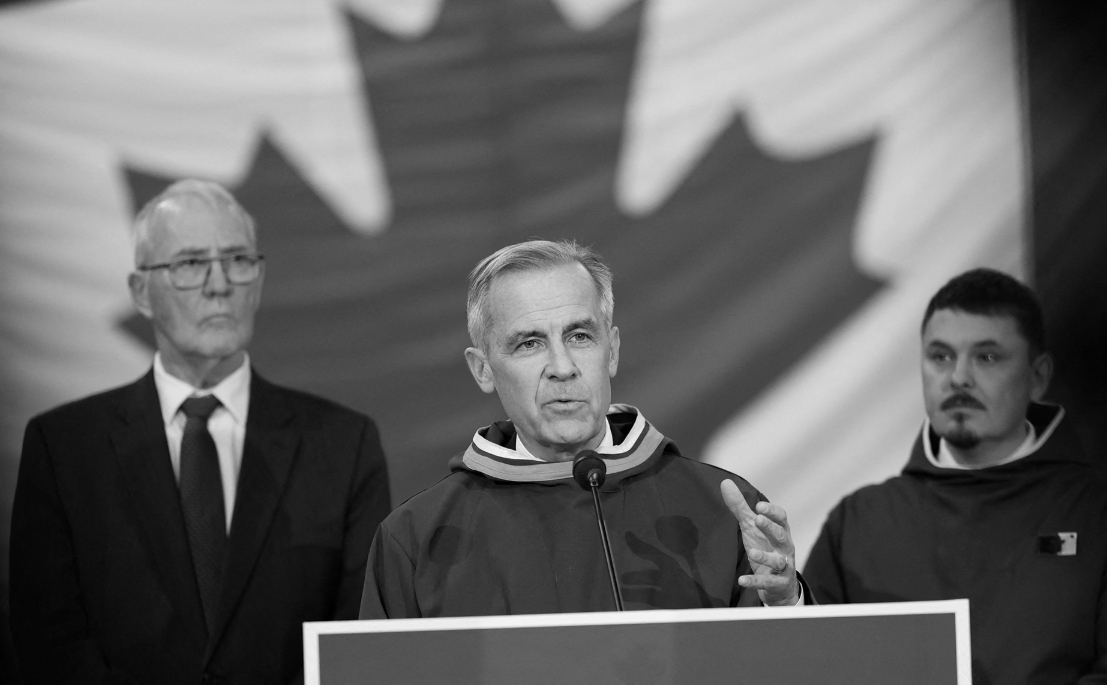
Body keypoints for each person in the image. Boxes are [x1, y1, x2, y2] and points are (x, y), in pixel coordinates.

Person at [9, 180, 392, 684]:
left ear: (257, 278)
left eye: (237, 260)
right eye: (190, 264)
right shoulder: (64, 449)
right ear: (140, 292)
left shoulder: (342, 444)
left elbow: (358, 639)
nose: (219, 284)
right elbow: (48, 641)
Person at [360, 239, 811, 618]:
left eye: (580, 336)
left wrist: (786, 601)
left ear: (610, 350)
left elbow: (798, 667)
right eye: (529, 343)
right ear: (483, 370)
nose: (562, 367)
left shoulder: (722, 511)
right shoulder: (418, 539)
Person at [802, 268, 1107, 684]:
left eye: (986, 356)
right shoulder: (858, 522)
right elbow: (806, 665)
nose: (959, 377)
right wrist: (783, 600)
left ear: (1038, 377)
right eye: (940, 356)